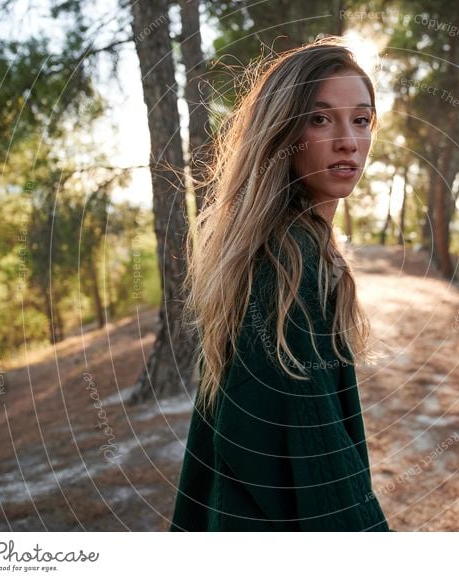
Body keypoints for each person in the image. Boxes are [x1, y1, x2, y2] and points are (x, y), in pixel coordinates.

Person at [169, 36, 392, 532]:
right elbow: (316, 457)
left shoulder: (290, 246)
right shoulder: (285, 265)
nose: (348, 141)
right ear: (281, 132)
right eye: (319, 118)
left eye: (361, 119)